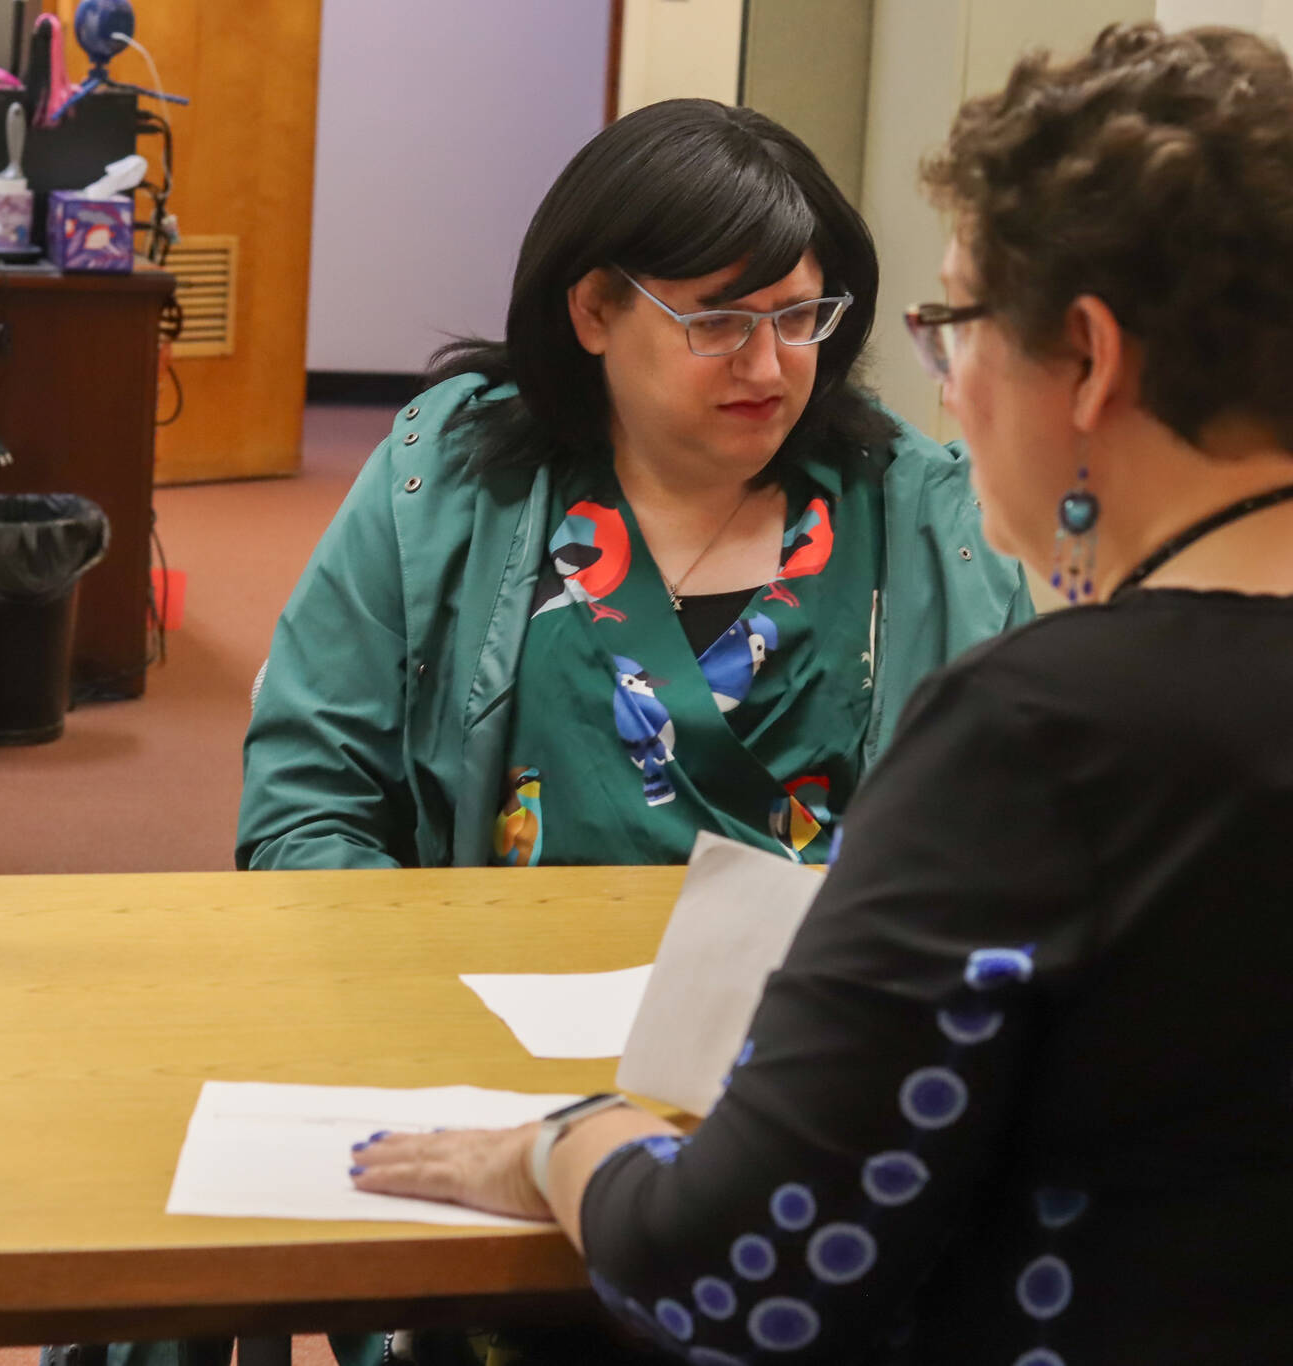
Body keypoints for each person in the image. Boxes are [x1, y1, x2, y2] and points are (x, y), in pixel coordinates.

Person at [349, 22, 1293, 1364]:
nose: (941, 389)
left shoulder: (1046, 732)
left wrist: (568, 1144)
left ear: (1085, 358)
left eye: (955, 324)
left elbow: (742, 1276)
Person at [239, 100, 1030, 877]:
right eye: (717, 322)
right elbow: (309, 801)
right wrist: (424, 980)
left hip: (824, 992)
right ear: (593, 312)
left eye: (797, 318)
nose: (766, 368)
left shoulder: (928, 520)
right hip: (491, 988)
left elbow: (1016, 842)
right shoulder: (446, 486)